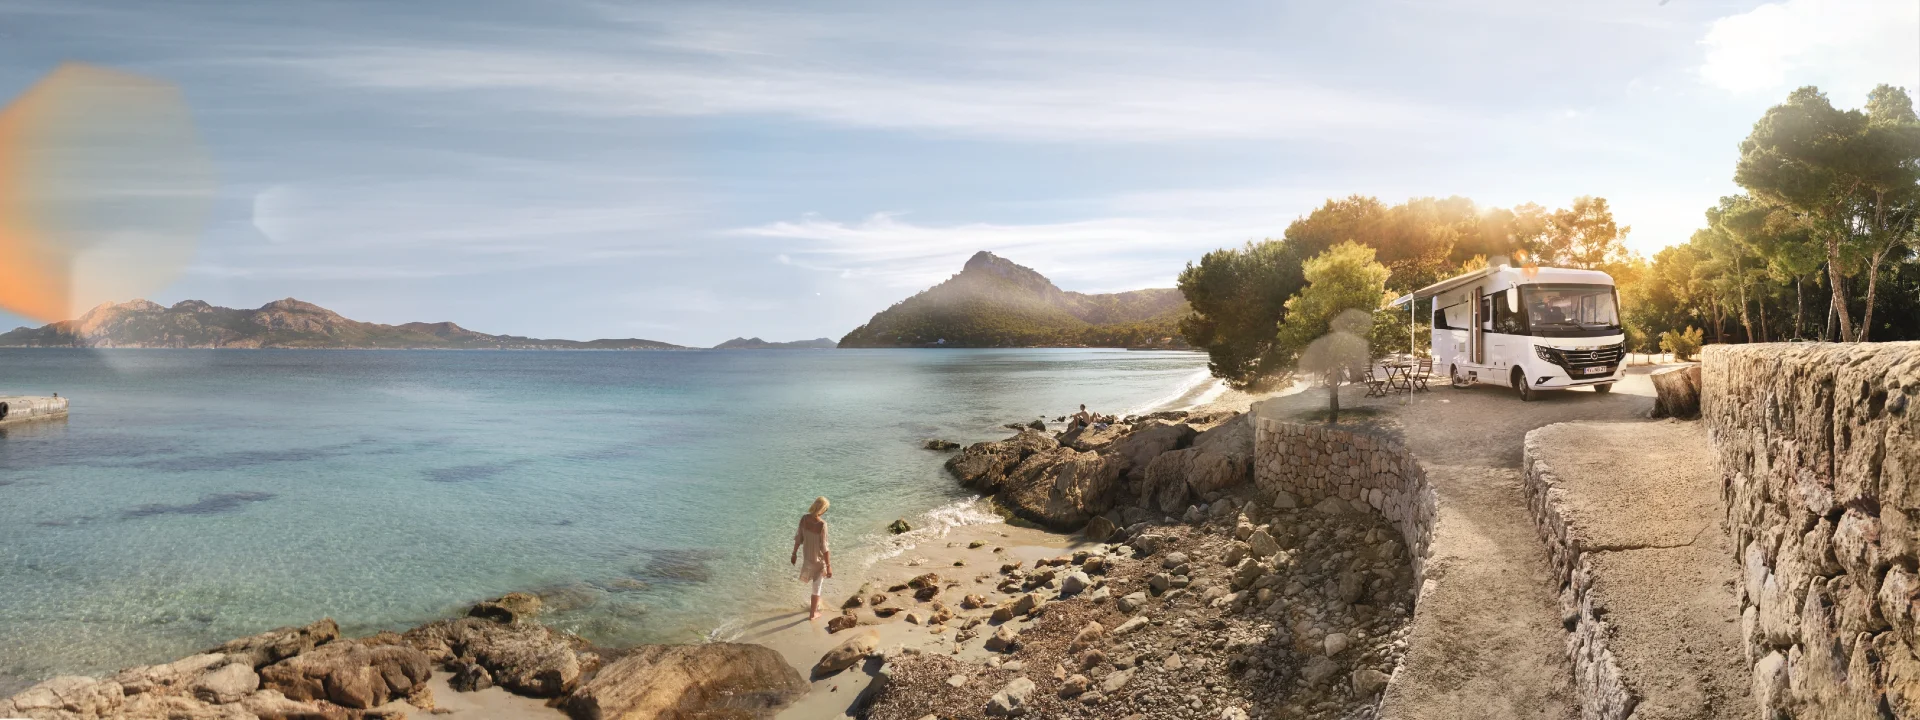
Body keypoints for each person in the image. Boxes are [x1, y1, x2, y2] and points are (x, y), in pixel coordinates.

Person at [791, 496, 833, 620]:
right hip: (818, 561)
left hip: (807, 560)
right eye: (826, 509)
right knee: (817, 587)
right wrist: (829, 566)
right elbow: (824, 547)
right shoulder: (822, 524)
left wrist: (794, 553)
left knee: (815, 586)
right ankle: (813, 614)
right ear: (823, 509)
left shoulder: (804, 519)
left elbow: (799, 538)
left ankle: (813, 608)